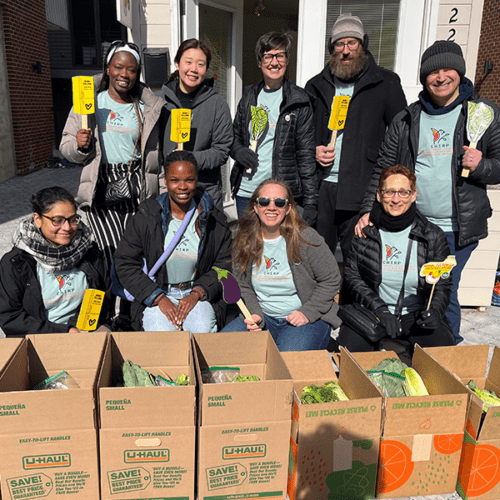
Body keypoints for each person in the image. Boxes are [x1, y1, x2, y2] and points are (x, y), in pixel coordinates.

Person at [357, 40, 500, 343]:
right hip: (413, 223)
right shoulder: (408, 118)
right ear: (424, 78)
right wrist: (369, 210)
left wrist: (482, 165)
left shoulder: (482, 114)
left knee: (441, 290)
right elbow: (385, 166)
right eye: (432, 72)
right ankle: (415, 346)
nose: (441, 77)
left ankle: (445, 353)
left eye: (448, 69)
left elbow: (499, 165)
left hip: (455, 227)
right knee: (418, 288)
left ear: (460, 73)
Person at [305, 13, 406, 260]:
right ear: (332, 48)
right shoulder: (315, 85)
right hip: (322, 189)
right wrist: (313, 151)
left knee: (358, 259)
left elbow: (401, 136)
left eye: (352, 43)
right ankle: (323, 299)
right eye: (340, 44)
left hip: (362, 188)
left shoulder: (386, 83)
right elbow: (303, 135)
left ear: (363, 45)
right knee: (318, 260)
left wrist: (389, 187)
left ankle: (353, 300)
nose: (346, 50)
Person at [60, 40, 165, 269]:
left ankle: (130, 305)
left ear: (137, 73)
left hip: (135, 185)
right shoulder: (89, 104)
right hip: (100, 185)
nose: (124, 74)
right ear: (107, 68)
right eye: (118, 67)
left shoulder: (146, 108)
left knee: (135, 256)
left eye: (131, 69)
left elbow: (155, 155)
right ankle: (108, 302)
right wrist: (80, 146)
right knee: (111, 256)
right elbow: (66, 147)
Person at [338, 166, 455, 353]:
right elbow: (353, 277)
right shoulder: (365, 232)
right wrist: (380, 310)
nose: (395, 199)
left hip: (415, 314)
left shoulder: (432, 235)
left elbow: (442, 283)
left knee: (443, 352)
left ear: (413, 195)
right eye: (389, 192)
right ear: (378, 195)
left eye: (403, 192)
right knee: (350, 354)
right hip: (374, 314)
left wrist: (435, 311)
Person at [113, 151, 232, 332]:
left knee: (201, 330)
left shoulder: (215, 220)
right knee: (161, 335)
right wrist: (158, 298)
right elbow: (125, 262)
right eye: (175, 180)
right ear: (166, 181)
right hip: (157, 293)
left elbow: (224, 265)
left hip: (197, 294)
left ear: (197, 180)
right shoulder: (147, 217)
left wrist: (197, 293)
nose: (182, 186)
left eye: (189, 180)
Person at [221, 179, 341, 351]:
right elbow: (242, 284)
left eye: (279, 202)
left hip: (302, 318)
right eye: (264, 202)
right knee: (222, 348)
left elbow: (331, 279)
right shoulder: (244, 240)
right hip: (264, 315)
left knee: (285, 361)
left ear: (288, 208)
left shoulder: (306, 238)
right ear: (256, 207)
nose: (271, 207)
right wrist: (254, 313)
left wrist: (307, 312)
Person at [230, 32, 318, 224]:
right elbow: (233, 136)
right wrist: (238, 151)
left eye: (280, 55)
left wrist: (311, 201)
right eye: (268, 56)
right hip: (247, 191)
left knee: (280, 251)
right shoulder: (249, 97)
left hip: (281, 196)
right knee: (249, 250)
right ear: (260, 62)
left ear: (287, 60)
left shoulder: (299, 101)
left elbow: (306, 154)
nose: (274, 62)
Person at [0, 187, 109, 337]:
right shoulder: (15, 263)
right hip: (36, 339)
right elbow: (10, 317)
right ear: (38, 219)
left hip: (84, 332)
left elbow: (102, 294)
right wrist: (64, 332)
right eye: (57, 221)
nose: (67, 228)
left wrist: (79, 327)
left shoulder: (89, 251)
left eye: (73, 220)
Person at [161, 38, 233, 210]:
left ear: (206, 69)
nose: (194, 69)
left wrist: (190, 158)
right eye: (188, 62)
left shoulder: (217, 104)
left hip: (205, 191)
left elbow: (222, 151)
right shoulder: (160, 101)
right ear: (177, 64)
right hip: (168, 191)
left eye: (200, 64)